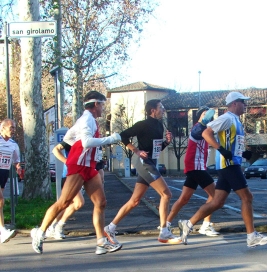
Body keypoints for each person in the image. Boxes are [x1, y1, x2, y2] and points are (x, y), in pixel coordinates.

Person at [30, 90, 122, 254]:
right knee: (64, 202)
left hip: (88, 167)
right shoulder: (87, 119)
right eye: (102, 104)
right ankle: (40, 232)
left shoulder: (87, 120)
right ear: (95, 104)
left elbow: (69, 138)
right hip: (79, 166)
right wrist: (111, 139)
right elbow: (86, 142)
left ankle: (101, 242)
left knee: (101, 203)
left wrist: (75, 145)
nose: (103, 108)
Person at [178, 91, 267, 248]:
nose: (246, 105)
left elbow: (232, 144)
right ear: (234, 103)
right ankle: (251, 236)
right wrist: (220, 149)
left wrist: (243, 153)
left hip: (230, 164)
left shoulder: (236, 120)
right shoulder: (227, 118)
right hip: (228, 165)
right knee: (247, 197)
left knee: (217, 202)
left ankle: (188, 223)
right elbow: (206, 133)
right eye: (243, 102)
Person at [104, 99, 181, 245]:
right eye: (161, 107)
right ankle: (164, 231)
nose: (163, 110)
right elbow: (123, 136)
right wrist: (136, 150)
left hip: (152, 162)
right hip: (144, 163)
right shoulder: (143, 124)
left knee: (135, 201)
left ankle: (110, 227)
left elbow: (155, 150)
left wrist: (166, 142)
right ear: (152, 110)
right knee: (166, 194)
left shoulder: (159, 125)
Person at [166, 107, 220, 237]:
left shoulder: (207, 131)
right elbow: (197, 131)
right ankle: (205, 225)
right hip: (196, 168)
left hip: (195, 168)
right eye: (205, 114)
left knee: (183, 199)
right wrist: (205, 120)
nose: (208, 117)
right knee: (216, 196)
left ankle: (165, 225)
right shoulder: (197, 128)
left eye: (210, 116)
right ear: (200, 115)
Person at [45, 141, 85, 240]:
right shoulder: (72, 138)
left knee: (67, 205)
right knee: (78, 203)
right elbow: (55, 150)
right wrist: (67, 161)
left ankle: (52, 227)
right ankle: (56, 227)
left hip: (80, 176)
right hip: (68, 176)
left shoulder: (88, 140)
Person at [0, 119, 22, 244]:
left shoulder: (14, 144)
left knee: (0, 204)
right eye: (11, 127)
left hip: (4, 173)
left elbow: (16, 160)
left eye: (14, 128)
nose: (13, 130)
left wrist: (18, 167)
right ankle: (3, 231)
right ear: (2, 128)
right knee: (1, 200)